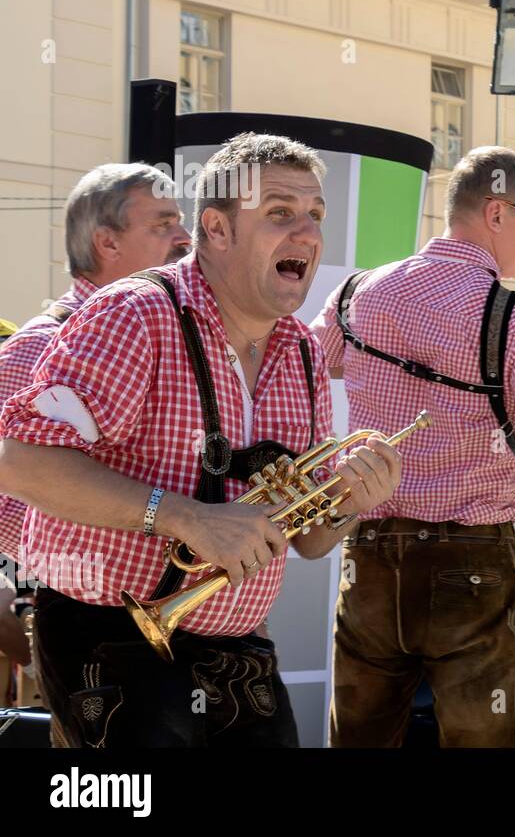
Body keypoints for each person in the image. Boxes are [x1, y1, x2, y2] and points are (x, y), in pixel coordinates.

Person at [0, 133, 402, 747]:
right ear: (216, 228)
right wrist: (186, 518)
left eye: (315, 215)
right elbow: (20, 463)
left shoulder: (302, 351)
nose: (307, 234)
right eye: (279, 213)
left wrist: (350, 500)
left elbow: (313, 539)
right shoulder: (134, 313)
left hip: (239, 648)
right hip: (109, 640)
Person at [310, 145, 515, 748]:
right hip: (472, 560)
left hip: (370, 552)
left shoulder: (358, 294)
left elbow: (296, 372)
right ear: (497, 213)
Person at [0, 163, 190, 560]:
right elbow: (8, 496)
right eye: (162, 225)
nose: (185, 239)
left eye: (181, 222)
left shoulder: (163, 331)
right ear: (108, 243)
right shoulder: (40, 345)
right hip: (92, 608)